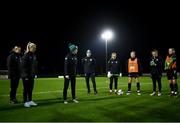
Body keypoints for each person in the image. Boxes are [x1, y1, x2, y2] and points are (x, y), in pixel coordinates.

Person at [21, 42, 38, 108]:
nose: (35, 49)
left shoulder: (33, 55)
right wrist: (25, 76)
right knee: (26, 89)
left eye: (35, 48)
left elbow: (34, 66)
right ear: (30, 48)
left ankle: (30, 100)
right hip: (26, 76)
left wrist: (34, 73)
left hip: (31, 75)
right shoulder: (26, 55)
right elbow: (23, 67)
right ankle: (25, 102)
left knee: (30, 89)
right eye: (33, 48)